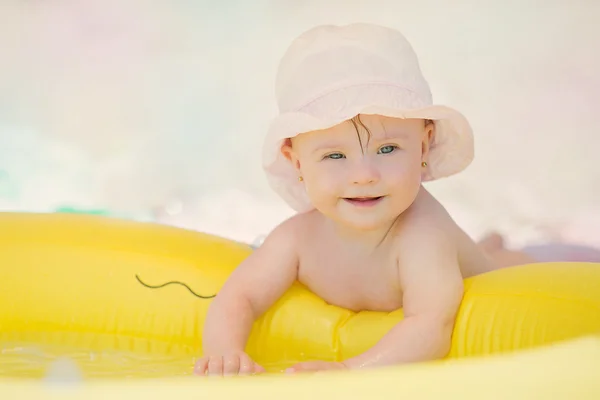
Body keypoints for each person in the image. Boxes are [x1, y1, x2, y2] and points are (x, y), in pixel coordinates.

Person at [191, 23, 587, 377]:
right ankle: (490, 243)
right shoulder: (297, 239)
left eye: (387, 149)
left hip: (505, 278)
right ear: (296, 162)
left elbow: (430, 325)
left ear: (424, 144)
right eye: (334, 156)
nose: (364, 175)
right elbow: (238, 296)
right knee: (484, 248)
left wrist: (349, 371)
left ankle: (500, 248)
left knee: (520, 264)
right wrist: (226, 353)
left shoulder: (420, 236)